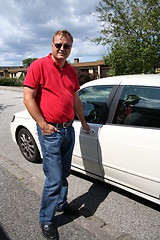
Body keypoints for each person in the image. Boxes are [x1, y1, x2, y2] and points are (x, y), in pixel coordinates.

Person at [23, 30, 90, 240]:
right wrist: (42, 125)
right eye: (58, 45)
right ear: (52, 45)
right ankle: (46, 220)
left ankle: (62, 204)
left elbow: (76, 100)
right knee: (53, 179)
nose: (62, 49)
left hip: (68, 129)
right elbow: (28, 98)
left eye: (67, 46)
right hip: (50, 131)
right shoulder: (39, 66)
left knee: (64, 173)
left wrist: (84, 122)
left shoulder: (71, 71)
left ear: (71, 49)